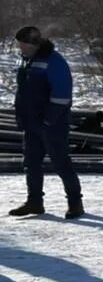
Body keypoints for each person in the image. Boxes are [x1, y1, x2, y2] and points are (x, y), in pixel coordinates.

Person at [9, 26, 84, 219]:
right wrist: (21, 116)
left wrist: (49, 119)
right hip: (31, 123)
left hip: (52, 124)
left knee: (61, 163)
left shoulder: (54, 61)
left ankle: (75, 203)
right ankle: (35, 202)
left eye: (23, 45)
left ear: (32, 44)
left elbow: (62, 94)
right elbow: (24, 91)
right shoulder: (27, 60)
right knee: (31, 163)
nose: (20, 48)